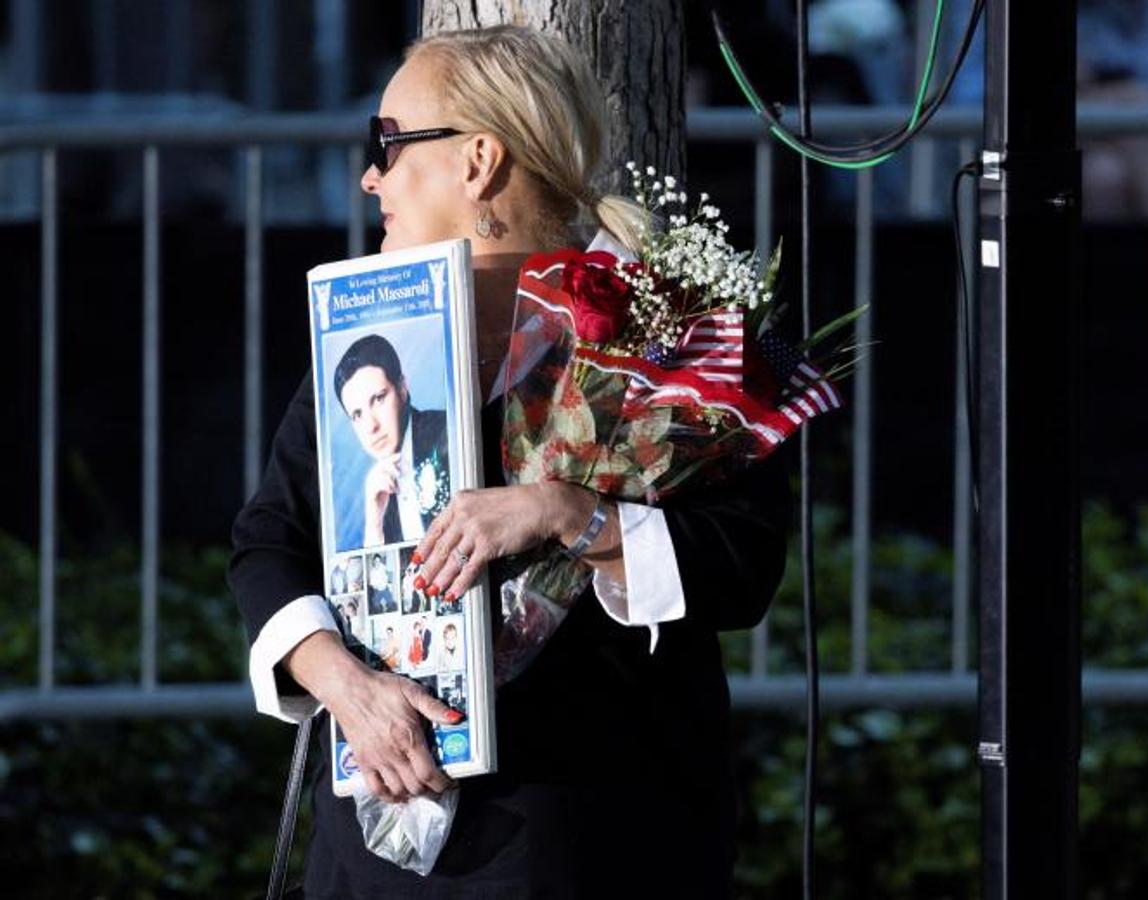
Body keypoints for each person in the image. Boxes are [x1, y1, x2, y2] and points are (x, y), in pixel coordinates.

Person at [229, 25, 788, 897]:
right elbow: (268, 540)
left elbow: (742, 569)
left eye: (386, 143)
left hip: (593, 831)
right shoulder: (374, 333)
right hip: (379, 844)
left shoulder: (663, 333)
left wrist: (573, 516)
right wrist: (346, 689)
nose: (371, 175)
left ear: (478, 161)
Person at [334, 333, 450, 546]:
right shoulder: (379, 491)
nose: (371, 426)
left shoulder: (447, 432)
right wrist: (374, 524)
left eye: (378, 399)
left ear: (402, 388)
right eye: (357, 415)